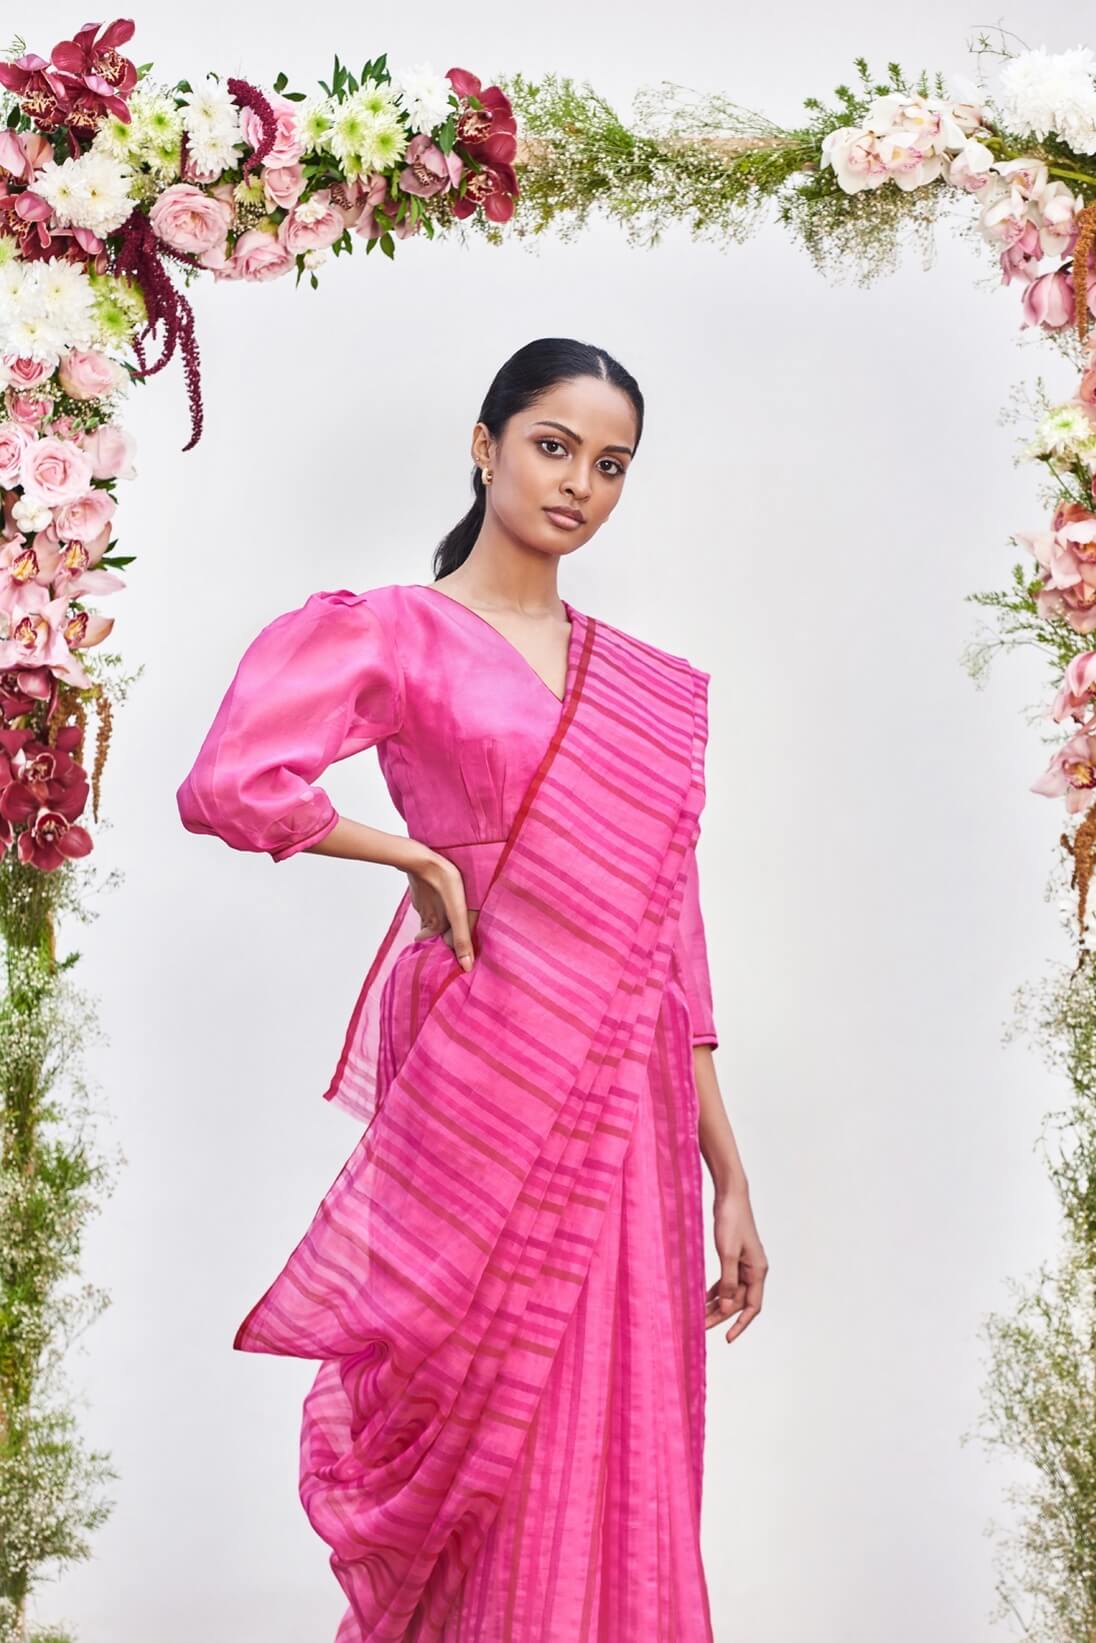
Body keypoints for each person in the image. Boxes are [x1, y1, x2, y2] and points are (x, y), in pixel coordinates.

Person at [175, 336, 768, 1642]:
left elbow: (674, 937)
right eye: (554, 447)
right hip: (482, 1058)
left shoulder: (641, 685)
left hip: (629, 1096)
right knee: (480, 1396)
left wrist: (728, 1173)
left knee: (615, 1402)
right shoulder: (395, 631)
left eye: (611, 465)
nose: (579, 486)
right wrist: (410, 855)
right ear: (486, 445)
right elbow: (230, 784)